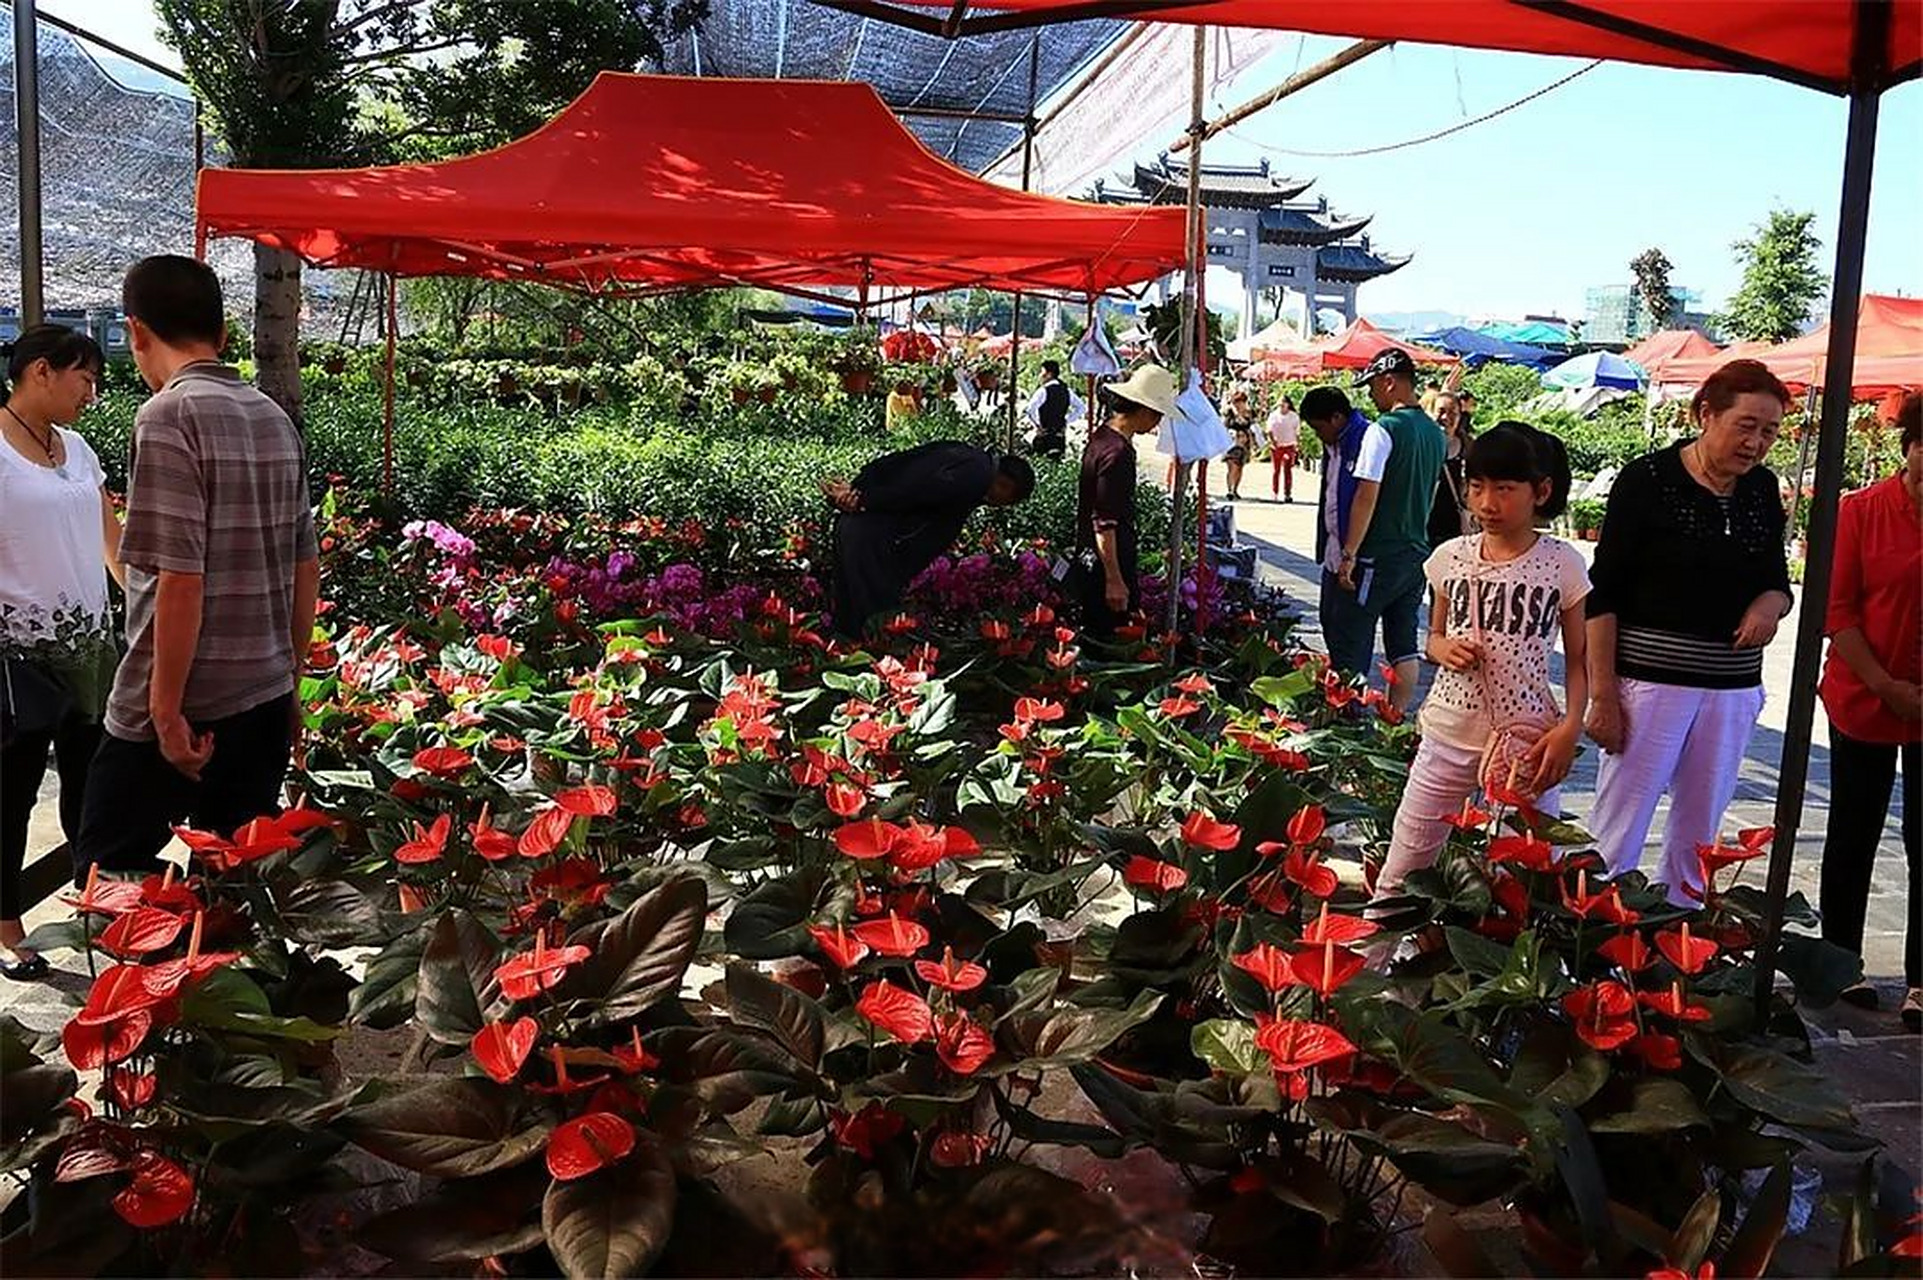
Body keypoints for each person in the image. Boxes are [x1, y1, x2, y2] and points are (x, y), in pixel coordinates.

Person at [74, 255, 320, 883]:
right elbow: (304, 564)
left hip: (183, 705)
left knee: (111, 886)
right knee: (235, 892)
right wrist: (290, 684)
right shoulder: (273, 417)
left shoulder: (168, 415)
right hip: (262, 696)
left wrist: (162, 712)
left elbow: (180, 577)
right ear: (224, 335)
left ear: (135, 331)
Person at [1585, 359, 1794, 906]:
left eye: (1769, 431)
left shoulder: (1761, 489)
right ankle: (1596, 940)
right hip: (1651, 686)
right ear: (1706, 413)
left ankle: (1678, 946)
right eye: (1745, 425)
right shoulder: (1647, 481)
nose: (1756, 443)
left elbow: (1777, 579)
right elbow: (1602, 593)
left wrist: (1770, 606)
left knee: (1701, 826)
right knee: (1620, 821)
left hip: (1731, 689)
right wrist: (1602, 695)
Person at [1375, 424, 1588, 897]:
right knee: (1402, 872)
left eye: (1505, 489)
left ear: (1542, 491)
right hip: (1447, 736)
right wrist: (1441, 649)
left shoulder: (1564, 564)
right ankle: (1373, 966)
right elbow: (1431, 637)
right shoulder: (1450, 557)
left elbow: (1579, 658)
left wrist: (1572, 725)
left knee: (1527, 882)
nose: (1488, 503)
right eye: (1477, 488)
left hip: (1528, 745)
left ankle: (1509, 970)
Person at [1, 327, 122, 978]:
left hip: (90, 653)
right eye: (86, 378)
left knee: (92, 788)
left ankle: (92, 903)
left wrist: (150, 597)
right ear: (41, 371)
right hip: (18, 659)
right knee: (11, 797)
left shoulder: (77, 449)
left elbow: (112, 540)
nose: (92, 393)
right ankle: (7, 926)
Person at [1818, 392, 1920, 1029]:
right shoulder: (1861, 511)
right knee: (1853, 830)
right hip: (1863, 693)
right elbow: (1837, 612)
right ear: (1907, 446)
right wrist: (1885, 684)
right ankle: (1841, 962)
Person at [1323, 348, 1445, 714]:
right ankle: (1395, 719)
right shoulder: (1435, 433)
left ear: (1390, 382)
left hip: (1378, 553)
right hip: (1415, 555)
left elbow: (1366, 494)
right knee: (1403, 645)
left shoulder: (1383, 430)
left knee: (1352, 642)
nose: (1372, 395)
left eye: (1374, 385)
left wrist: (1349, 554)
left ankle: (1348, 724)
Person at [824, 442, 1034, 637]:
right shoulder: (976, 475)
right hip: (875, 539)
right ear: (1006, 485)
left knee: (849, 609)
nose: (998, 505)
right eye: (1007, 501)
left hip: (861, 529)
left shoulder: (965, 456)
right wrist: (863, 499)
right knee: (877, 621)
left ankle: (845, 662)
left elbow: (898, 463)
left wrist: (857, 491)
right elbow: (915, 491)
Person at [1077, 365, 1174, 637]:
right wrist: (1114, 579)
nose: (1158, 423)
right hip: (1106, 565)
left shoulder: (1102, 437)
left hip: (1091, 558)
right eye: (1158, 416)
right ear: (1145, 410)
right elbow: (1104, 522)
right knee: (1113, 641)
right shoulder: (1117, 452)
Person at [1427, 391, 1474, 547]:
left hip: (1457, 526)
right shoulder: (1422, 446)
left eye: (1453, 413)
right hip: (1425, 524)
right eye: (1441, 412)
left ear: (1460, 417)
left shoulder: (1469, 448)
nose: (1446, 418)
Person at [1023, 359, 1085, 460]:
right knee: (1057, 461)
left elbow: (1030, 409)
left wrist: (1038, 425)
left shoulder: (1043, 391)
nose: (1040, 375)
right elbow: (1081, 408)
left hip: (1045, 434)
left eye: (1042, 372)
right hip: (1059, 435)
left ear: (1049, 374)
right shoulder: (1066, 391)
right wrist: (1066, 420)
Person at [1222, 387, 1257, 501]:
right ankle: (1230, 490)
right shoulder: (1229, 413)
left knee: (1239, 467)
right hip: (1231, 442)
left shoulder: (1249, 413)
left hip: (1244, 443)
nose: (1239, 404)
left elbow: (1253, 427)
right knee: (1232, 466)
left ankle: (1235, 488)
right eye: (1236, 402)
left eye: (1241, 402)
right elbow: (1225, 426)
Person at [1266, 392, 1302, 501]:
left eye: (1284, 402)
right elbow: (1268, 430)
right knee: (1276, 470)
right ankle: (1274, 492)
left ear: (1288, 404)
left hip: (1289, 445)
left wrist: (1298, 445)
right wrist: (1273, 441)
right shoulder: (1273, 415)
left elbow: (1297, 432)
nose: (1282, 404)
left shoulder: (1293, 416)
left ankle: (1287, 493)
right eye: (1280, 402)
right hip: (1276, 446)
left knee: (1288, 469)